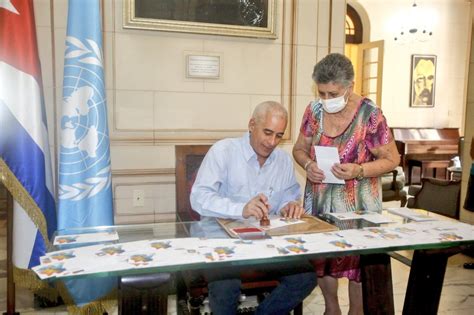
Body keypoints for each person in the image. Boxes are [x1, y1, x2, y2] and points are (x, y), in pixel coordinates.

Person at [292, 53, 400, 315]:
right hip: (320, 200)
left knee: (358, 265)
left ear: (349, 87)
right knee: (324, 259)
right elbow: (299, 149)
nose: (326, 99)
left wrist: (359, 170)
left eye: (333, 93)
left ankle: (356, 312)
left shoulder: (370, 115)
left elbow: (392, 159)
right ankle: (332, 309)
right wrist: (308, 165)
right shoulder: (314, 111)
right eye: (322, 93)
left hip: (359, 205)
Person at [190, 101, 317, 315]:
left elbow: (289, 195)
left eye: (279, 135)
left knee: (305, 278)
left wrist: (290, 206)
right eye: (267, 132)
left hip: (267, 245)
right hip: (223, 243)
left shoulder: (283, 161)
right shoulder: (223, 151)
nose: (271, 142)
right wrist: (241, 209)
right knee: (225, 287)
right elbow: (199, 198)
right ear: (251, 124)